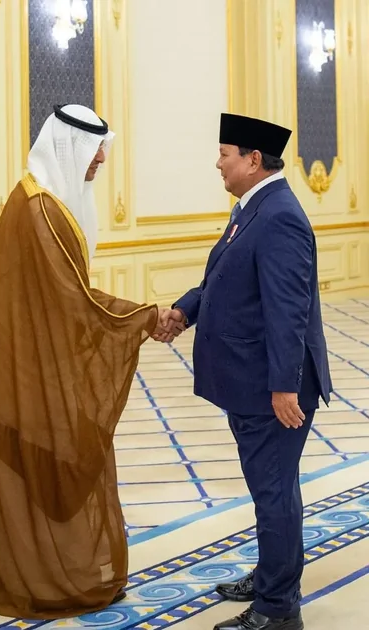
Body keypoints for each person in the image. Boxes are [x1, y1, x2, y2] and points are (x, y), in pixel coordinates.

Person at [0, 104, 180, 620]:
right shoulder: (40, 209)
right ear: (69, 147)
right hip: (28, 361)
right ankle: (43, 578)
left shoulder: (42, 200)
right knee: (44, 457)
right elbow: (76, 301)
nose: (101, 160)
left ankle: (48, 566)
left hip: (36, 353)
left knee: (49, 456)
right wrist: (145, 317)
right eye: (94, 151)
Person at [162, 113, 332, 630]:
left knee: (274, 492)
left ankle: (278, 610)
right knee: (272, 489)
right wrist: (185, 310)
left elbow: (288, 309)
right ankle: (271, 576)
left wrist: (284, 386)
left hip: (271, 388)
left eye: (224, 154)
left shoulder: (278, 215)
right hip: (251, 381)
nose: (218, 163)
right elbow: (224, 279)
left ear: (253, 160)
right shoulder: (252, 208)